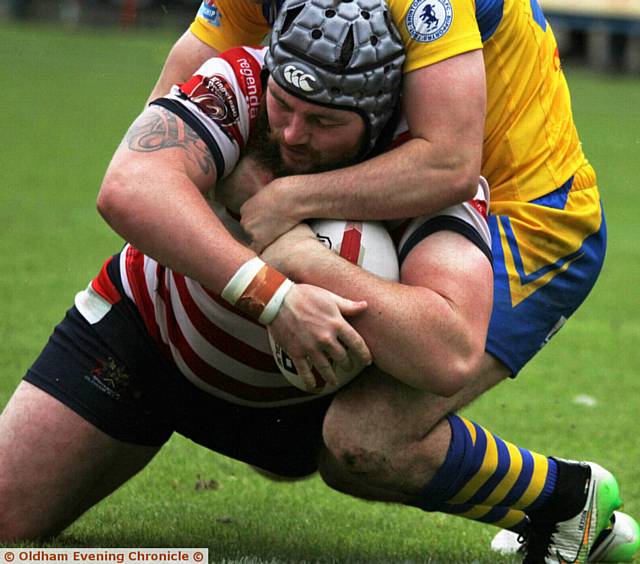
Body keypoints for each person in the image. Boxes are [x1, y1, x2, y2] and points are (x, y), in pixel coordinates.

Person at [0, 3, 632, 563]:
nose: (294, 133)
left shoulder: (421, 149)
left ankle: (567, 500)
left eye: (321, 121)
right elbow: (147, 144)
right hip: (158, 319)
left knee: (365, 442)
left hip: (524, 208)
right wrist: (249, 231)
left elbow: (447, 166)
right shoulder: (248, 79)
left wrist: (288, 222)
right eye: (284, 107)